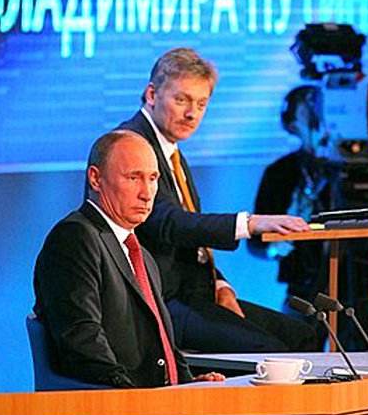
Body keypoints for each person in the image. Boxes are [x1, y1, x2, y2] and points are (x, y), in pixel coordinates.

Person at [119, 47, 318, 353]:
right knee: (271, 352)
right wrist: (249, 224)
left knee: (302, 336)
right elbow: (167, 222)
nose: (192, 114)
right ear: (152, 94)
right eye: (182, 100)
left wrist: (221, 284)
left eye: (201, 104)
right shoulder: (132, 145)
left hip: (195, 291)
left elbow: (191, 237)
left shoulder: (169, 147)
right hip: (160, 301)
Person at [33, 130, 224, 388]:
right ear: (96, 179)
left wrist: (188, 385)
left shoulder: (141, 255)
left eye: (153, 178)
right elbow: (83, 342)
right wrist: (136, 399)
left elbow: (162, 344)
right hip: (112, 401)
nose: (147, 193)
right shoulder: (74, 238)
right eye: (133, 177)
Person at [249, 85, 368, 350]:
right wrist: (278, 245)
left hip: (358, 288)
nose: (320, 124)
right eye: (310, 116)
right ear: (292, 124)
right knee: (298, 360)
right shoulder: (280, 173)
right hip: (304, 289)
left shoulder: (356, 169)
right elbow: (256, 242)